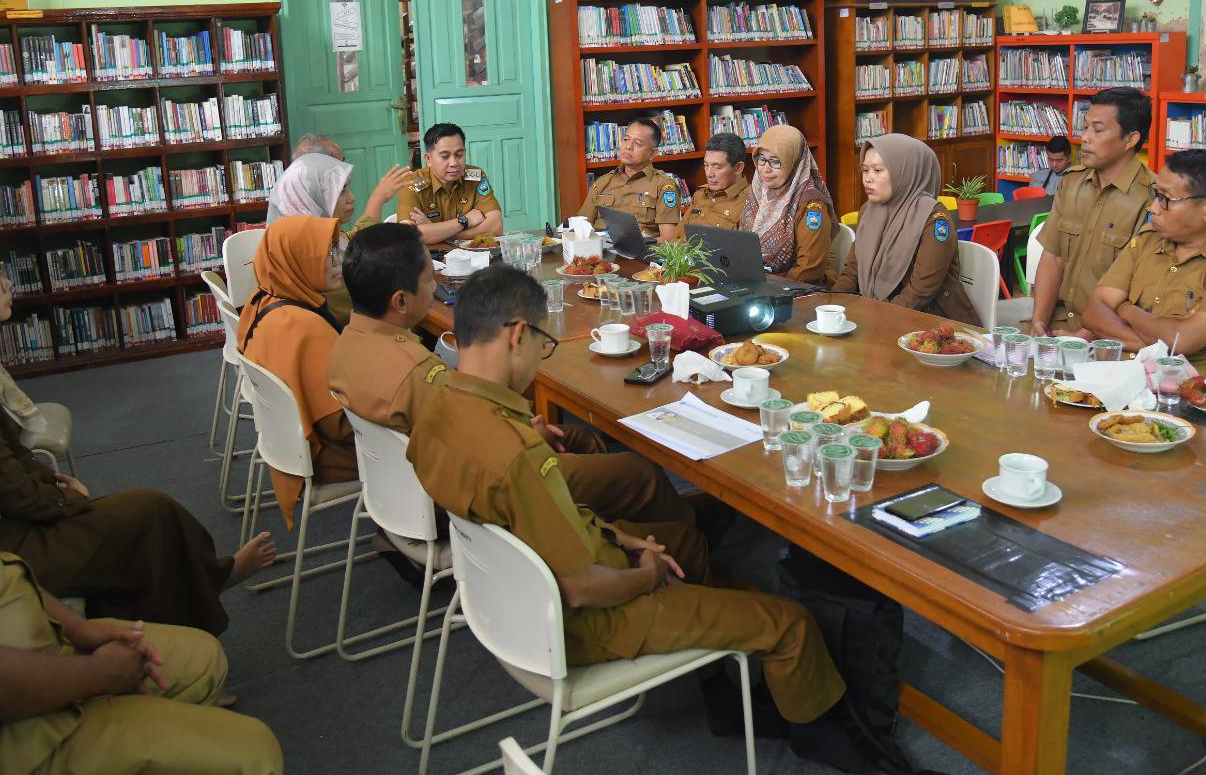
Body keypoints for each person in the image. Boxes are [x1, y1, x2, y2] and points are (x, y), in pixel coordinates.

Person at [0, 243, 282, 774]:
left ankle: (189, 603)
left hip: (22, 642)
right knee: (252, 754)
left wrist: (76, 631)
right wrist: (102, 675)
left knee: (200, 656)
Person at [406, 265, 881, 772]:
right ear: (518, 334)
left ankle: (719, 688)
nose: (539, 359)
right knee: (789, 623)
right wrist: (645, 574)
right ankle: (824, 743)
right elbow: (584, 589)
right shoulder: (517, 454)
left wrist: (620, 537)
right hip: (582, 617)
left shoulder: (436, 409)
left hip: (508, 596)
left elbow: (537, 520)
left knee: (684, 541)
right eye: (543, 344)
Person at [0, 232, 275, 637]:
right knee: (147, 515)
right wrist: (67, 495)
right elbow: (11, 490)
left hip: (7, 520)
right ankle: (196, 618)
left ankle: (194, 605)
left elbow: (2, 467)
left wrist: (54, 486)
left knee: (139, 519)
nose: (7, 285)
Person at [328, 224, 708, 568]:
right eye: (430, 280)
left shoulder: (347, 342)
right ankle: (678, 546)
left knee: (577, 437)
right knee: (637, 472)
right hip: (475, 492)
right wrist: (525, 434)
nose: (435, 287)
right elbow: (475, 440)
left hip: (414, 488)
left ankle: (601, 530)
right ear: (399, 301)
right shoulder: (416, 374)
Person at [1083, 149, 1206, 378]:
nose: (1153, 207)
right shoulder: (1149, 239)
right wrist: (1162, 342)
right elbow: (1094, 311)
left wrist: (1125, 308)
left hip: (1185, 400)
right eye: (1156, 194)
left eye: (1166, 199)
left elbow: (1182, 340)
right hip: (1116, 380)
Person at [237, 215, 352, 529]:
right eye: (326, 254)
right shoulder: (304, 328)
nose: (337, 261)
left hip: (288, 445)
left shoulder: (261, 300)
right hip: (328, 457)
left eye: (336, 251)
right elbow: (342, 426)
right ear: (298, 259)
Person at [1028, 87, 1156, 336]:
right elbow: (1052, 258)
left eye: (1097, 130)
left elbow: (1138, 292)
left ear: (1130, 140)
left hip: (1109, 336)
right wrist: (1038, 322)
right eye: (1085, 128)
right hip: (1057, 323)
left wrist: (1084, 337)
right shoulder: (1071, 182)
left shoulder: (1152, 200)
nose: (1085, 137)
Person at [833, 134, 979, 322]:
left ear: (906, 173)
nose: (868, 179)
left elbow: (921, 291)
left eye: (878, 170)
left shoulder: (934, 218)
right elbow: (853, 270)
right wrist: (832, 305)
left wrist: (875, 320)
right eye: (865, 170)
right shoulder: (868, 211)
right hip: (878, 312)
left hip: (930, 322)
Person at [266, 151, 413, 321]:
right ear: (312, 196)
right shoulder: (320, 261)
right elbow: (368, 304)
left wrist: (378, 199)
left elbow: (350, 241)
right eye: (341, 191)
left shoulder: (303, 237)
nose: (352, 197)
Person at [740, 124, 835, 285]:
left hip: (799, 291)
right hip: (756, 285)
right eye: (761, 159)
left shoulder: (812, 204)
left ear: (794, 162)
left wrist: (768, 287)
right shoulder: (758, 191)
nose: (765, 169)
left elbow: (810, 268)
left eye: (775, 162)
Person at [574, 117, 682, 241]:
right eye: (626, 139)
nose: (628, 146)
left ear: (652, 153)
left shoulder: (664, 186)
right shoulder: (602, 183)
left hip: (639, 256)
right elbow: (581, 227)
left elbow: (668, 239)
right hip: (600, 253)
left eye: (637, 143)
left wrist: (639, 245)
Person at [397, 122, 504, 245]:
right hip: (430, 259)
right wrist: (465, 221)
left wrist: (436, 232)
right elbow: (409, 236)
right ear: (428, 159)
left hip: (471, 256)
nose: (454, 163)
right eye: (445, 156)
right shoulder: (410, 183)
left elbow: (496, 226)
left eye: (459, 154)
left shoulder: (475, 176)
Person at [683, 132, 752, 231]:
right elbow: (677, 238)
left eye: (717, 167)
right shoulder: (700, 195)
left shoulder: (751, 202)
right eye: (706, 165)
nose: (709, 174)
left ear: (738, 168)